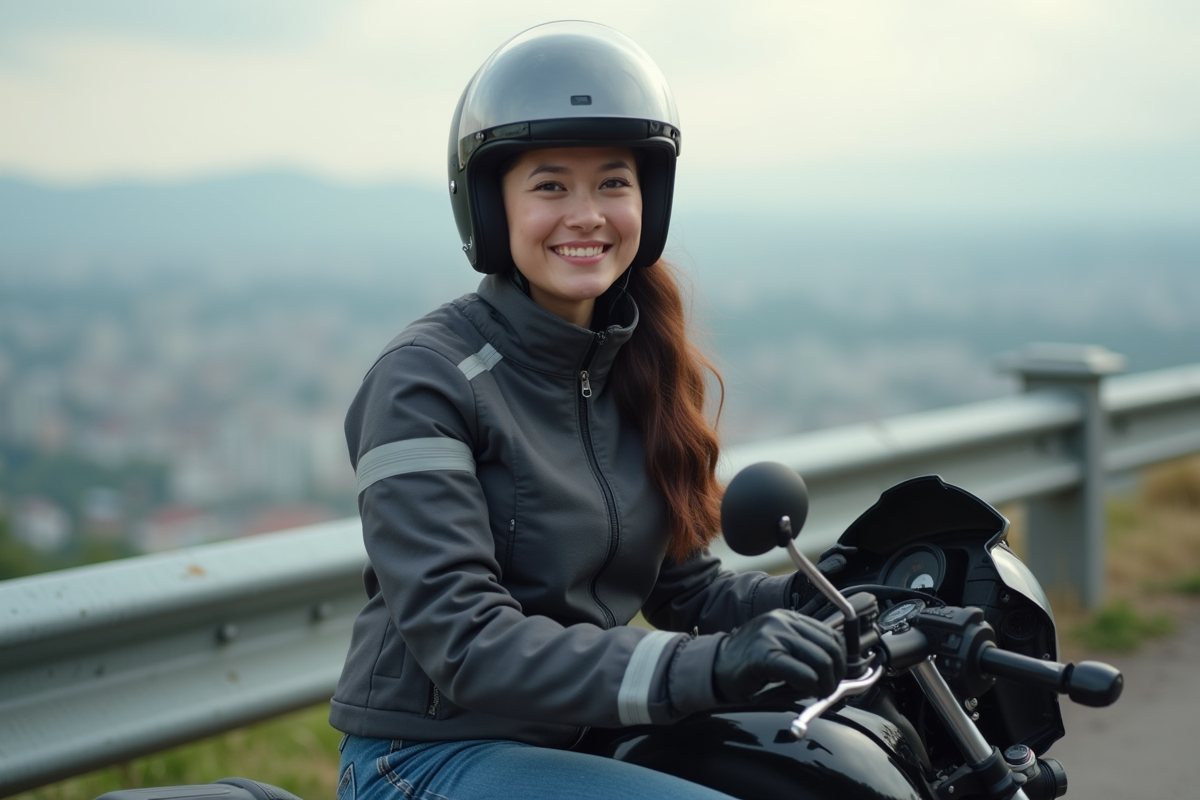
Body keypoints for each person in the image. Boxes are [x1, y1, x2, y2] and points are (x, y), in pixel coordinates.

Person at [330, 20, 845, 800]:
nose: (587, 214)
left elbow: (690, 595)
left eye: (613, 182)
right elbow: (464, 639)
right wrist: (701, 667)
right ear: (491, 206)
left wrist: (829, 590)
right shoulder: (425, 380)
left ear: (649, 200)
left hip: (581, 738)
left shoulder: (635, 362)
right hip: (427, 757)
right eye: (549, 185)